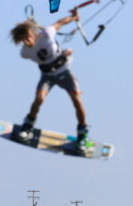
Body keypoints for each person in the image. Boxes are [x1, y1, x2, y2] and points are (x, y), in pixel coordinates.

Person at [10, 9, 89, 152]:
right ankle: (27, 126)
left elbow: (59, 23)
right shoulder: (24, 53)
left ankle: (83, 135)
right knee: (39, 98)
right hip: (48, 77)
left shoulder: (46, 34)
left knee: (77, 100)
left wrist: (73, 18)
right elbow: (45, 60)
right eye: (23, 40)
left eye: (28, 37)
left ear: (32, 34)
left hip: (65, 72)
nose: (27, 42)